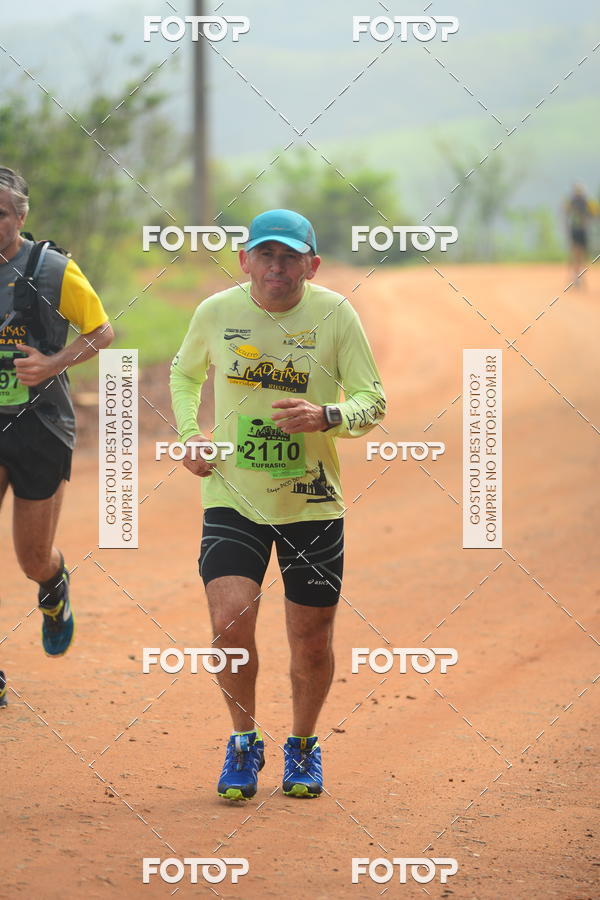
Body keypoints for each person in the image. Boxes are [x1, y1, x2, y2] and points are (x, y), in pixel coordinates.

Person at [170, 209, 386, 799]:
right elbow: (184, 374)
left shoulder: (336, 315)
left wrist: (328, 415)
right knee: (228, 623)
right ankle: (243, 741)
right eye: (265, 254)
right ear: (245, 261)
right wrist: (192, 432)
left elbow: (373, 400)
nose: (276, 266)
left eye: (290, 256)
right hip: (232, 497)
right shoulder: (216, 313)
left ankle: (303, 744)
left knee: (310, 639)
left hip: (312, 503)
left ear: (310, 265)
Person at [0, 167, 114, 705]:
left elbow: (102, 333)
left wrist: (50, 364)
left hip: (39, 426)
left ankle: (53, 585)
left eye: (0, 212)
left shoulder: (52, 270)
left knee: (31, 557)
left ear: (20, 217)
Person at [564, 183, 593, 288]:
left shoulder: (583, 202)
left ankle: (578, 276)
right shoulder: (576, 202)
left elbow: (591, 214)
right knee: (577, 254)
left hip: (579, 231)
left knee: (578, 254)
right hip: (577, 231)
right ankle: (577, 276)